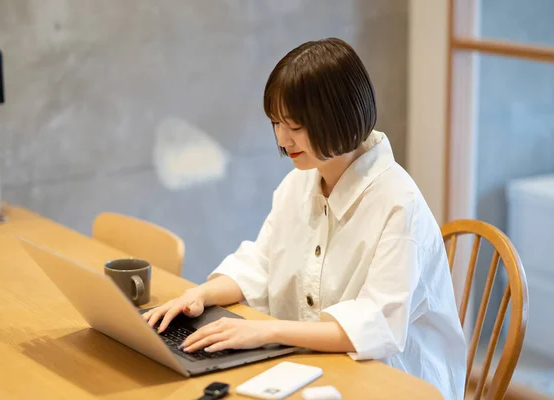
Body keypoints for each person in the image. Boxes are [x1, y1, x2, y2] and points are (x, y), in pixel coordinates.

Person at [143, 37, 466, 400]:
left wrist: (265, 332)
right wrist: (199, 295)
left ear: (338, 118)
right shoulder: (298, 184)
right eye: (276, 123)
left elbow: (376, 329)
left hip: (393, 384)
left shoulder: (397, 204)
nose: (282, 140)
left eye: (295, 127)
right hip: (315, 368)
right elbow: (262, 264)